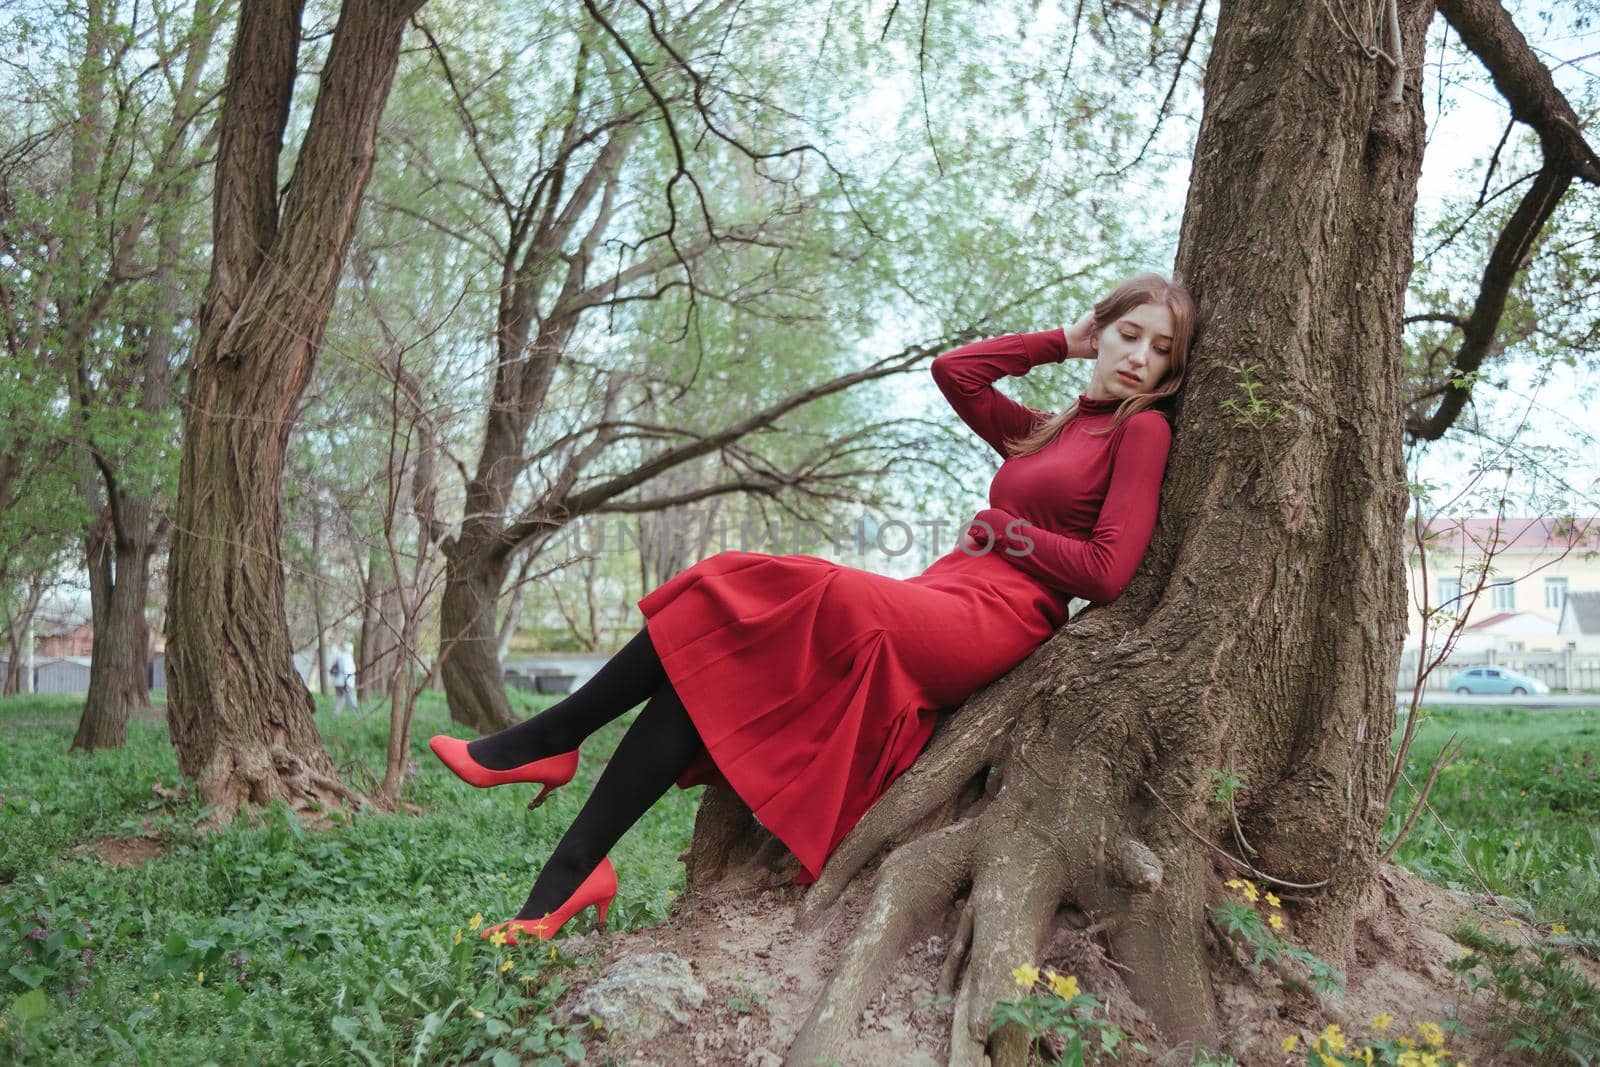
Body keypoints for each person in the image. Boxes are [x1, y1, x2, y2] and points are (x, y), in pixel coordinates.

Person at [429, 271, 1196, 943]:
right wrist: (1060, 340)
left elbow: (1107, 570)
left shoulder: (1143, 430)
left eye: (1161, 349)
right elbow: (954, 373)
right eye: (1128, 334)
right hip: (943, 587)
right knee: (713, 670)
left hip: (998, 616)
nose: (1139, 357)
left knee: (783, 583)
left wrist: (1008, 532)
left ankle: (555, 735)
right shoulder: (1052, 428)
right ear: (1102, 332)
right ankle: (566, 878)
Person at [330, 639, 358, 714]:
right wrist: (348, 682)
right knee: (351, 696)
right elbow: (347, 670)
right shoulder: (347, 657)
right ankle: (354, 713)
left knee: (339, 697)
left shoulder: (339, 656)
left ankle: (335, 713)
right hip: (345, 682)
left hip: (337, 682)